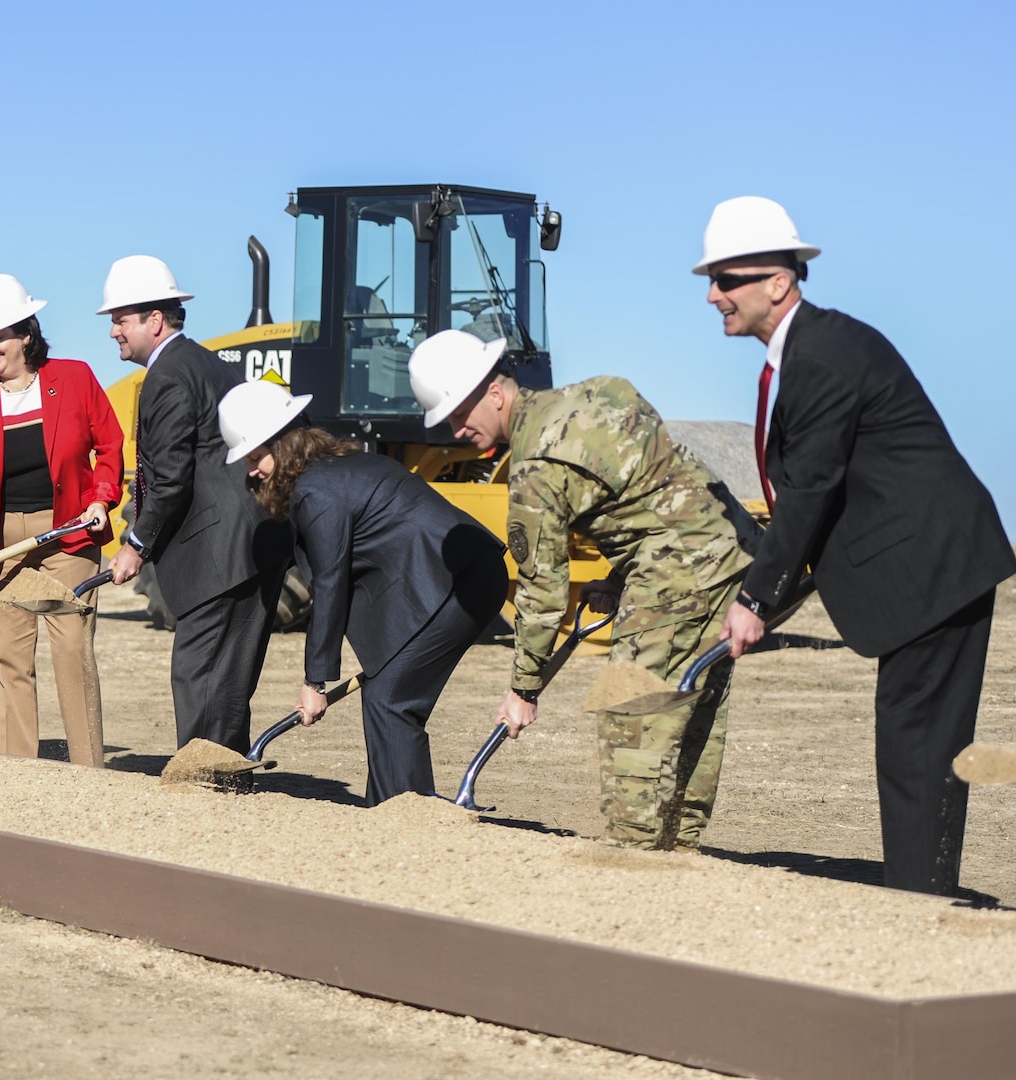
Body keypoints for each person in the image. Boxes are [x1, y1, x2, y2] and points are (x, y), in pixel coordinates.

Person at [697, 196, 1015, 894]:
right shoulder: (809, 351)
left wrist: (754, 600)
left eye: (725, 279)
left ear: (776, 282)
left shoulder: (822, 356)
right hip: (924, 563)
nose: (713, 295)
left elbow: (809, 489)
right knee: (914, 744)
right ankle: (918, 896)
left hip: (932, 564)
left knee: (916, 744)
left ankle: (916, 907)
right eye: (710, 281)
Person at [411, 329, 760, 849]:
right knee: (694, 703)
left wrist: (523, 689)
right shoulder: (602, 393)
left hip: (672, 575)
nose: (457, 431)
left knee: (632, 714)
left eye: (460, 414)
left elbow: (541, 590)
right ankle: (684, 847)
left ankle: (634, 851)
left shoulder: (534, 466)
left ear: (496, 392)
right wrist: (621, 579)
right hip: (728, 556)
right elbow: (654, 487)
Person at [216, 379, 508, 804]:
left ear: (283, 444)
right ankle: (391, 805)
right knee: (387, 692)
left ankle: (402, 812)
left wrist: (315, 681)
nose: (252, 471)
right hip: (454, 575)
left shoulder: (317, 492)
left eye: (256, 457)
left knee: (391, 698)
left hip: (459, 578)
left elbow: (332, 580)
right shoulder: (334, 468)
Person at [103, 256, 291, 755]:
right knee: (229, 679)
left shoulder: (168, 377)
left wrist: (136, 544)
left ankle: (202, 778)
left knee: (198, 671)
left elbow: (169, 480)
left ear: (155, 320)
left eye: (120, 320)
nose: (113, 332)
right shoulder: (210, 363)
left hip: (217, 551)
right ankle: (223, 776)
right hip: (252, 543)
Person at [0, 274, 124, 767]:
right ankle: (18, 772)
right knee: (9, 660)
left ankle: (88, 771)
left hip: (68, 536)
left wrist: (101, 499)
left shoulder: (74, 378)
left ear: (26, 332)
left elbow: (108, 446)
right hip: (1, 544)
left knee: (72, 653)